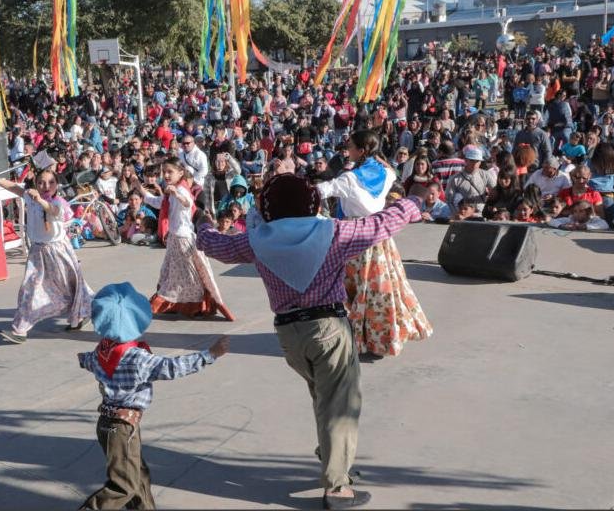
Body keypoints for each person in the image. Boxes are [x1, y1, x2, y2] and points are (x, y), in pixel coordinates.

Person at [198, 173, 433, 510]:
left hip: (289, 336)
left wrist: (204, 224)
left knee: (323, 397)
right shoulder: (334, 233)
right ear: (312, 203)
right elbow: (383, 223)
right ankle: (337, 488)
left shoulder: (256, 240)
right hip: (328, 329)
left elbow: (216, 245)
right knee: (339, 405)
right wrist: (415, 200)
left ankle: (334, 459)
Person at [76, 282, 230, 510]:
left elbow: (88, 360)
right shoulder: (136, 358)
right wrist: (209, 355)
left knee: (138, 476)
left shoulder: (103, 349)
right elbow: (172, 367)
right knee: (124, 485)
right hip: (122, 426)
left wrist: (83, 359)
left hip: (108, 424)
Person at [315, 130, 432, 359]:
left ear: (361, 150)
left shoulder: (348, 179)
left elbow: (319, 191)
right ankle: (380, 338)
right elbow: (389, 169)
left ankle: (355, 338)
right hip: (380, 235)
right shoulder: (386, 173)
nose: (347, 149)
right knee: (381, 288)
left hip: (354, 238)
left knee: (352, 289)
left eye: (350, 146)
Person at [0, 168, 95, 344]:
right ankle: (20, 330)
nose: (45, 186)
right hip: (37, 253)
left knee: (70, 287)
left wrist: (40, 199)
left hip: (58, 252)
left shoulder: (59, 202)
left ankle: (79, 316)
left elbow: (53, 210)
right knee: (30, 288)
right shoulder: (31, 197)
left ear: (57, 185)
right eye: (41, 182)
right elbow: (13, 187)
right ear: (36, 183)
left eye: (50, 182)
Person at [138, 157, 233, 320]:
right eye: (164, 172)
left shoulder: (180, 189)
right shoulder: (172, 189)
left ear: (180, 173)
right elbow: (157, 201)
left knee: (189, 275)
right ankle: (177, 304)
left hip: (183, 239)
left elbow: (188, 203)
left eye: (170, 172)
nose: (166, 175)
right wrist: (138, 187)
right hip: (175, 238)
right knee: (171, 274)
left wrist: (177, 194)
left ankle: (196, 306)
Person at [446, 146, 497, 215]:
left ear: (480, 162)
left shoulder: (486, 175)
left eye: (477, 161)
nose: (475, 163)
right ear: (466, 160)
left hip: (481, 212)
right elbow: (449, 200)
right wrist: (457, 214)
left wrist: (492, 207)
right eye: (472, 160)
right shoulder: (455, 179)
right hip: (464, 213)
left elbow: (495, 193)